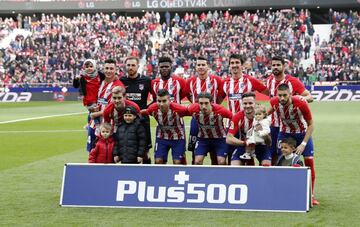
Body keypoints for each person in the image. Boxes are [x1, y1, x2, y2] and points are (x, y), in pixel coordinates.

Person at [268, 83, 318, 205]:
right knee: (282, 161)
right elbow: (265, 113)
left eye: (285, 95)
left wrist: (303, 144)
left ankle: (310, 195)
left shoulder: (301, 103)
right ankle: (281, 191)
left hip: (302, 134)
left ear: (290, 94)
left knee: (309, 162)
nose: (282, 98)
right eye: (280, 95)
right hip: (285, 134)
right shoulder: (274, 102)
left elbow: (311, 125)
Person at [266, 55, 313, 165]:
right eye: (273, 65)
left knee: (293, 157)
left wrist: (302, 99)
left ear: (284, 66)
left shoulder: (293, 81)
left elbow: (310, 97)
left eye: (278, 65)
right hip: (274, 125)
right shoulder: (269, 81)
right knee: (275, 157)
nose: (276, 67)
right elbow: (271, 102)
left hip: (291, 124)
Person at [186, 56, 224, 164]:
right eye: (199, 65)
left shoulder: (216, 80)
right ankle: (195, 174)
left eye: (203, 65)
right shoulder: (190, 81)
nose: (201, 67)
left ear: (207, 66)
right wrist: (195, 106)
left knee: (214, 152)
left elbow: (221, 97)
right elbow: (187, 95)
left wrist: (213, 107)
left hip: (214, 119)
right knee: (194, 150)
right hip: (196, 120)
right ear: (195, 67)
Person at [150, 56, 188, 164]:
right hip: (161, 128)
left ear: (171, 66)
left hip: (178, 127)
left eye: (167, 66)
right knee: (158, 161)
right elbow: (154, 101)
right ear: (159, 67)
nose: (164, 69)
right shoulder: (154, 83)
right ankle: (161, 180)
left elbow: (183, 96)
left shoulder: (180, 81)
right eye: (162, 67)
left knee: (178, 161)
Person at [141, 89, 190, 164]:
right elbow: (142, 112)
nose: (161, 104)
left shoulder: (179, 109)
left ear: (169, 100)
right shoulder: (152, 108)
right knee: (158, 161)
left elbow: (192, 112)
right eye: (159, 101)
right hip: (162, 137)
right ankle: (161, 176)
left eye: (164, 101)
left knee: (177, 162)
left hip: (178, 138)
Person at [87, 58, 124, 151]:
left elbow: (115, 107)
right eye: (106, 68)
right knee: (92, 153)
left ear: (116, 70)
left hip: (108, 126)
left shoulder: (118, 86)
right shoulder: (98, 82)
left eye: (111, 69)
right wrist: (91, 107)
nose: (108, 71)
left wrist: (96, 114)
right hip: (94, 124)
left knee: (107, 156)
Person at [120, 56, 152, 164]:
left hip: (143, 120)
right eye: (128, 65)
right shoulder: (121, 81)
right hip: (127, 121)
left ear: (138, 67)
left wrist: (147, 109)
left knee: (145, 153)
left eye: (133, 65)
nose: (130, 67)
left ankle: (148, 177)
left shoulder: (146, 80)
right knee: (128, 150)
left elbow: (156, 98)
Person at [226, 92, 272, 166]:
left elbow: (269, 142)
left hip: (261, 147)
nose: (247, 106)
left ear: (255, 103)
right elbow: (228, 138)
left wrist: (263, 133)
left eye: (250, 103)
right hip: (244, 146)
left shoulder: (264, 117)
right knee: (234, 167)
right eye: (245, 103)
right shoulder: (237, 117)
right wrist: (245, 143)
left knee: (266, 166)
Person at [187, 92, 232, 165]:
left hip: (220, 139)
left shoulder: (220, 110)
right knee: (197, 161)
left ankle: (223, 176)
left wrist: (231, 132)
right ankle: (199, 176)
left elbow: (234, 118)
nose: (203, 106)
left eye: (206, 103)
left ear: (211, 102)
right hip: (203, 139)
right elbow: (182, 111)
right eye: (201, 103)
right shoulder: (193, 109)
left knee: (221, 161)